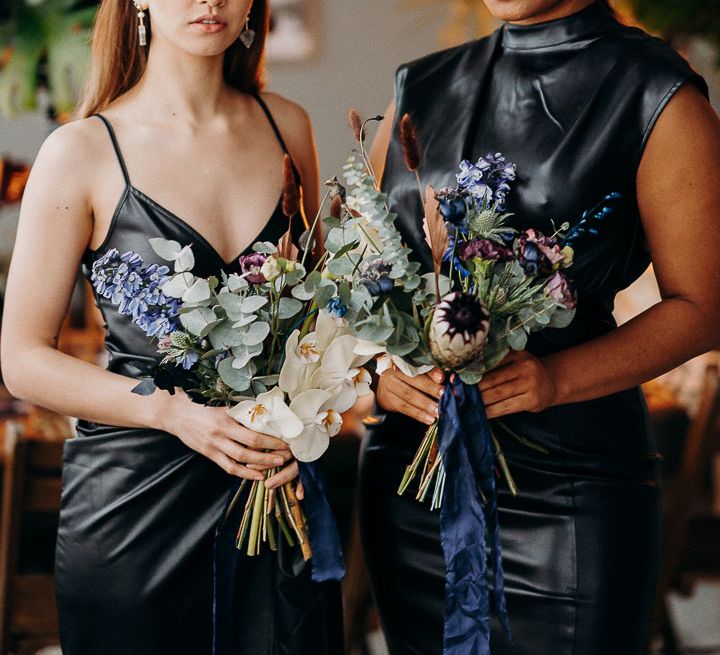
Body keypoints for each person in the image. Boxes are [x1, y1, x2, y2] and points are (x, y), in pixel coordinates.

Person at [360, 0, 720, 653]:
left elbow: (705, 304)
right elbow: (359, 280)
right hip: (411, 488)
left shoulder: (655, 91)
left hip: (569, 488)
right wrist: (379, 374)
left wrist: (553, 378)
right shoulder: (421, 85)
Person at [0, 1, 342, 653]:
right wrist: (173, 414)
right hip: (135, 519)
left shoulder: (287, 127)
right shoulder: (80, 152)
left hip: (269, 504)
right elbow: (21, 358)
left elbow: (315, 322)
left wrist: (306, 415)